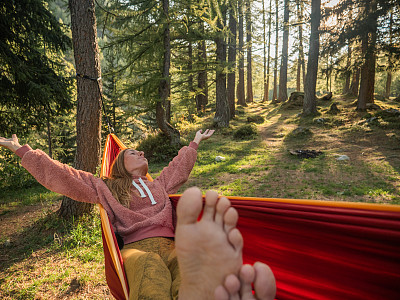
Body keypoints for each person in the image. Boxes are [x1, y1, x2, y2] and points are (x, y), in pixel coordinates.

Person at [0, 132, 276, 300]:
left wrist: (194, 143)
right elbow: (64, 176)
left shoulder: (159, 185)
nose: (141, 152)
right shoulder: (104, 187)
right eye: (134, 152)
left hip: (174, 245)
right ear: (120, 165)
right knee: (150, 284)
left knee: (193, 280)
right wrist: (23, 151)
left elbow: (177, 169)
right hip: (137, 249)